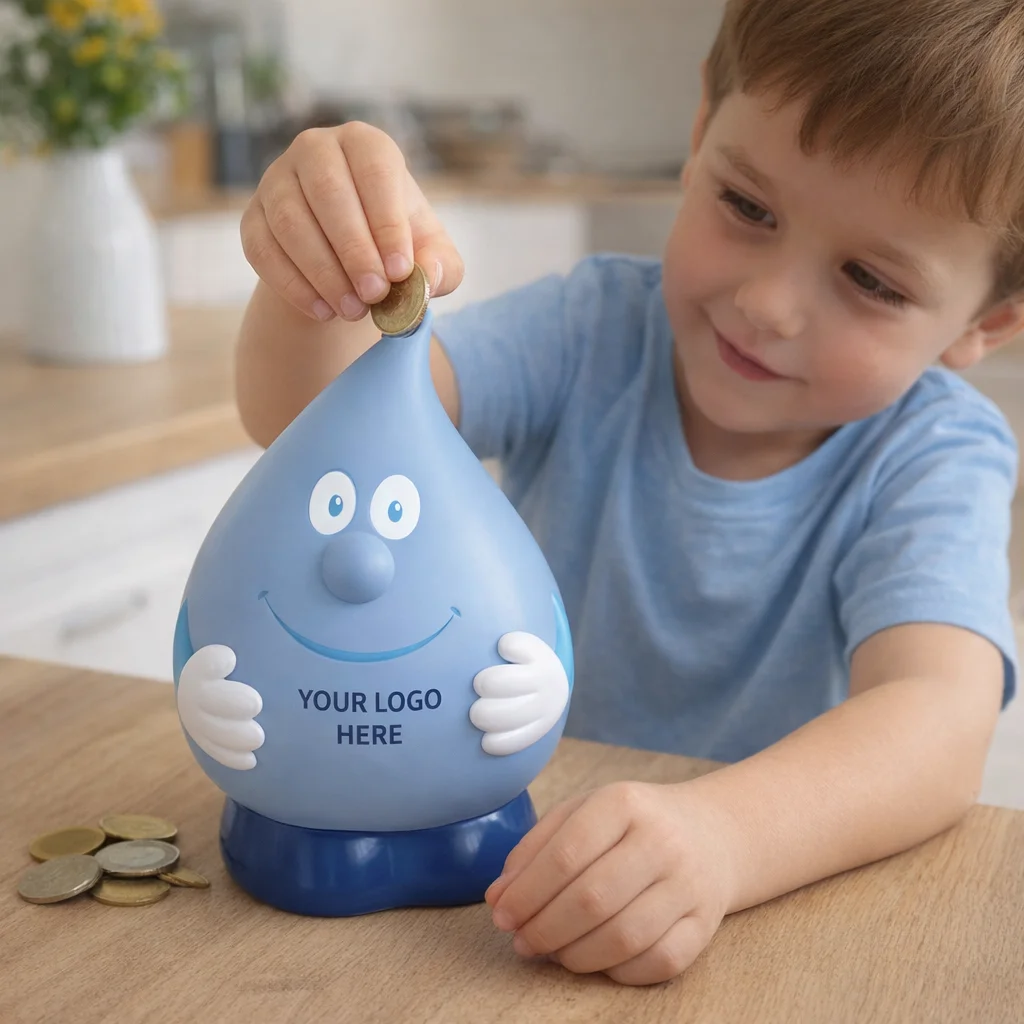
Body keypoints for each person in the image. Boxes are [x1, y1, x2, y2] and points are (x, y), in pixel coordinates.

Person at [232, 0, 1024, 986]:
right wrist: (319, 271)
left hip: (766, 917)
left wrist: (726, 836)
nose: (766, 304)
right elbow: (309, 421)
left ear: (984, 321)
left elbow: (936, 718)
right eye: (747, 207)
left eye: (870, 278)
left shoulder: (934, 452)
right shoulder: (588, 329)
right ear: (700, 131)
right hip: (491, 884)